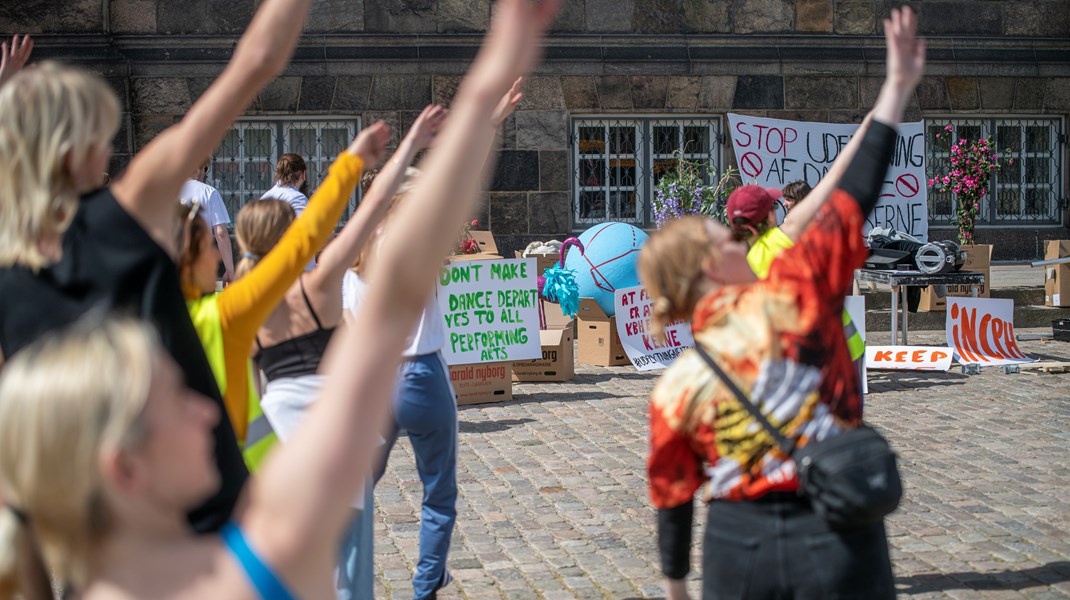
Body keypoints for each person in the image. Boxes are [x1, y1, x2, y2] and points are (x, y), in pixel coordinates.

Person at [0, 1, 559, 599]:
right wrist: (490, 82)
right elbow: (257, 65)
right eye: (179, 395)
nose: (206, 407)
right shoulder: (159, 251)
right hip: (218, 510)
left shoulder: (18, 283)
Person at [0, 0, 322, 538]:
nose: (107, 147)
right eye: (97, 135)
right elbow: (256, 60)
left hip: (105, 531)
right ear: (71, 150)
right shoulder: (118, 217)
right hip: (203, 502)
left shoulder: (11, 272)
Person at [639, 7, 924, 599]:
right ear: (712, 265)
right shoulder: (797, 287)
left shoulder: (678, 382)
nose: (731, 235)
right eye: (720, 236)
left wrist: (674, 585)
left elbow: (672, 490)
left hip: (737, 552)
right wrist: (894, 94)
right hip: (837, 535)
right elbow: (853, 200)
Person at [248, 104, 446, 599]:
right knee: (350, 575)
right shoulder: (317, 289)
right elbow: (373, 205)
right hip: (334, 441)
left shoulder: (239, 308)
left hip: (277, 445)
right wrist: (407, 145)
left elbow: (249, 389)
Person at [342, 79, 524, 600]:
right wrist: (490, 123)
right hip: (421, 374)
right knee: (438, 495)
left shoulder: (351, 260)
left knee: (354, 494)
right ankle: (425, 586)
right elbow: (462, 175)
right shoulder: (419, 250)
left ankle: (344, 582)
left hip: (373, 381)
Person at [178, 122, 390, 470]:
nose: (218, 255)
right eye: (208, 248)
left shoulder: (155, 319)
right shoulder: (225, 311)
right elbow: (310, 236)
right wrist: (351, 164)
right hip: (273, 467)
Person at [728, 115, 875, 400]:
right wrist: (866, 135)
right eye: (774, 205)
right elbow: (834, 182)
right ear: (768, 215)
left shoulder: (738, 259)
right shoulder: (785, 237)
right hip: (837, 349)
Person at [180, 158, 236, 284]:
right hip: (201, 262)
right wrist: (230, 269)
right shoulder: (209, 192)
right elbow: (221, 233)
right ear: (197, 169)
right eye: (205, 169)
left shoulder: (168, 192)